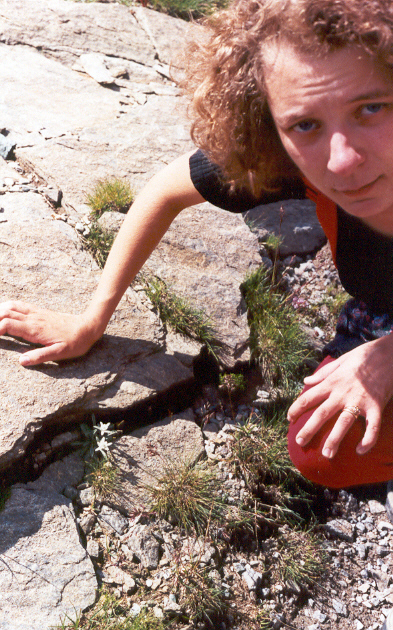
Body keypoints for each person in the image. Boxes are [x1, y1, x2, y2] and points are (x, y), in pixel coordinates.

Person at [1, 0, 393, 490]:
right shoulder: (293, 162)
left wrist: (386, 359)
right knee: (320, 451)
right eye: (305, 124)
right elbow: (165, 192)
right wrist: (92, 319)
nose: (341, 161)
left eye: (371, 107)